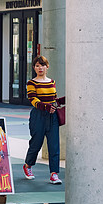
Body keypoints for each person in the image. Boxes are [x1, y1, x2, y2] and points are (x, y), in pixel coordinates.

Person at [23, 55, 64, 185]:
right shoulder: (31, 83)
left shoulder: (52, 82)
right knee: (36, 143)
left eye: (42, 65)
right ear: (34, 68)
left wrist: (63, 100)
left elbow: (54, 100)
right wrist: (46, 107)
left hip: (52, 116)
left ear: (47, 67)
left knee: (54, 145)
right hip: (38, 116)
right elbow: (33, 100)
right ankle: (28, 165)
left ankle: (54, 174)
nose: (40, 68)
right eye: (37, 65)